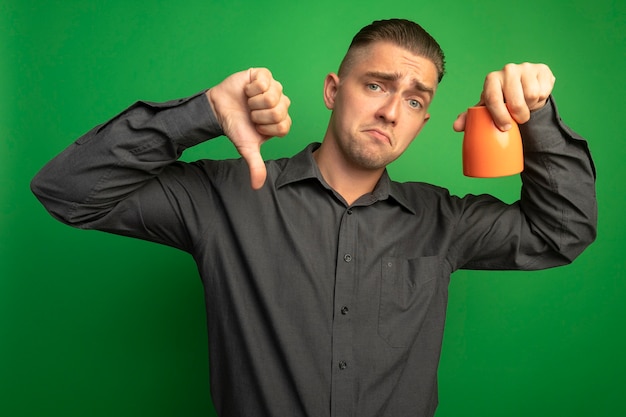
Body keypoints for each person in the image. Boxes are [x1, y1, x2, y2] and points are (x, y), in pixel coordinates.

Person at [31, 18, 596, 417]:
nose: (392, 111)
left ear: (424, 121)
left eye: (416, 100)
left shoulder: (442, 221)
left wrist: (537, 119)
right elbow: (67, 190)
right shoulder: (224, 196)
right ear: (334, 89)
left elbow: (562, 231)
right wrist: (200, 114)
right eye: (375, 84)